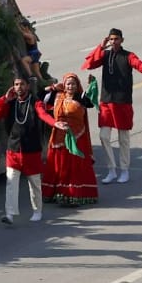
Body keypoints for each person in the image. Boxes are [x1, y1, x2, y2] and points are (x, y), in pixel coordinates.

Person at [81, 28, 142, 184]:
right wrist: (101, 47)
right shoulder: (105, 54)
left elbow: (139, 65)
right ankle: (111, 169)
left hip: (122, 102)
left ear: (122, 40)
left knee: (123, 138)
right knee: (103, 136)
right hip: (106, 102)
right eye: (111, 39)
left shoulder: (128, 56)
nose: (113, 41)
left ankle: (124, 170)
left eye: (116, 39)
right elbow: (89, 64)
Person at [36, 73, 97, 206]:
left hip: (76, 138)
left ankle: (71, 195)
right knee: (59, 166)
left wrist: (92, 85)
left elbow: (90, 102)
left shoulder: (80, 97)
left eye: (73, 84)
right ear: (64, 85)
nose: (70, 86)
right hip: (58, 136)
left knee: (73, 167)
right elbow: (40, 95)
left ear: (77, 85)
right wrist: (52, 87)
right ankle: (55, 193)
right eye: (68, 83)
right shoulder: (57, 96)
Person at [0, 77, 45, 223]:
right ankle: (10, 214)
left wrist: (56, 123)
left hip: (31, 150)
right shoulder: (11, 103)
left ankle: (37, 210)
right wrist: (5, 99)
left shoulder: (35, 102)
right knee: (11, 181)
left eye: (22, 84)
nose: (19, 87)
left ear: (27, 86)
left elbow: (43, 115)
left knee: (34, 183)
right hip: (13, 149)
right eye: (16, 84)